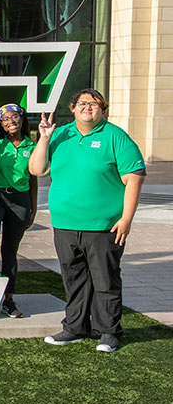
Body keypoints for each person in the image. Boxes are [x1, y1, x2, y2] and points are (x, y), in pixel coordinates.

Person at [29, 89, 146, 353]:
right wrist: (44, 138)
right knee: (74, 279)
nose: (87, 108)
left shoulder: (116, 137)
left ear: (102, 109)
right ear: (72, 108)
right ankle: (75, 327)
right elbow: (36, 169)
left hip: (104, 226)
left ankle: (109, 332)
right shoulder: (61, 134)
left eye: (94, 104)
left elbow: (134, 179)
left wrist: (126, 218)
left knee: (105, 280)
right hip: (65, 224)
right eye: (82, 103)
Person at [0, 104, 37, 318]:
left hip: (20, 199)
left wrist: (33, 208)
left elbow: (33, 179)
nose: (11, 121)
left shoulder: (32, 146)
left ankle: (9, 300)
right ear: (0, 123)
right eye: (5, 119)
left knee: (11, 250)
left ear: (22, 119)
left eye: (15, 117)